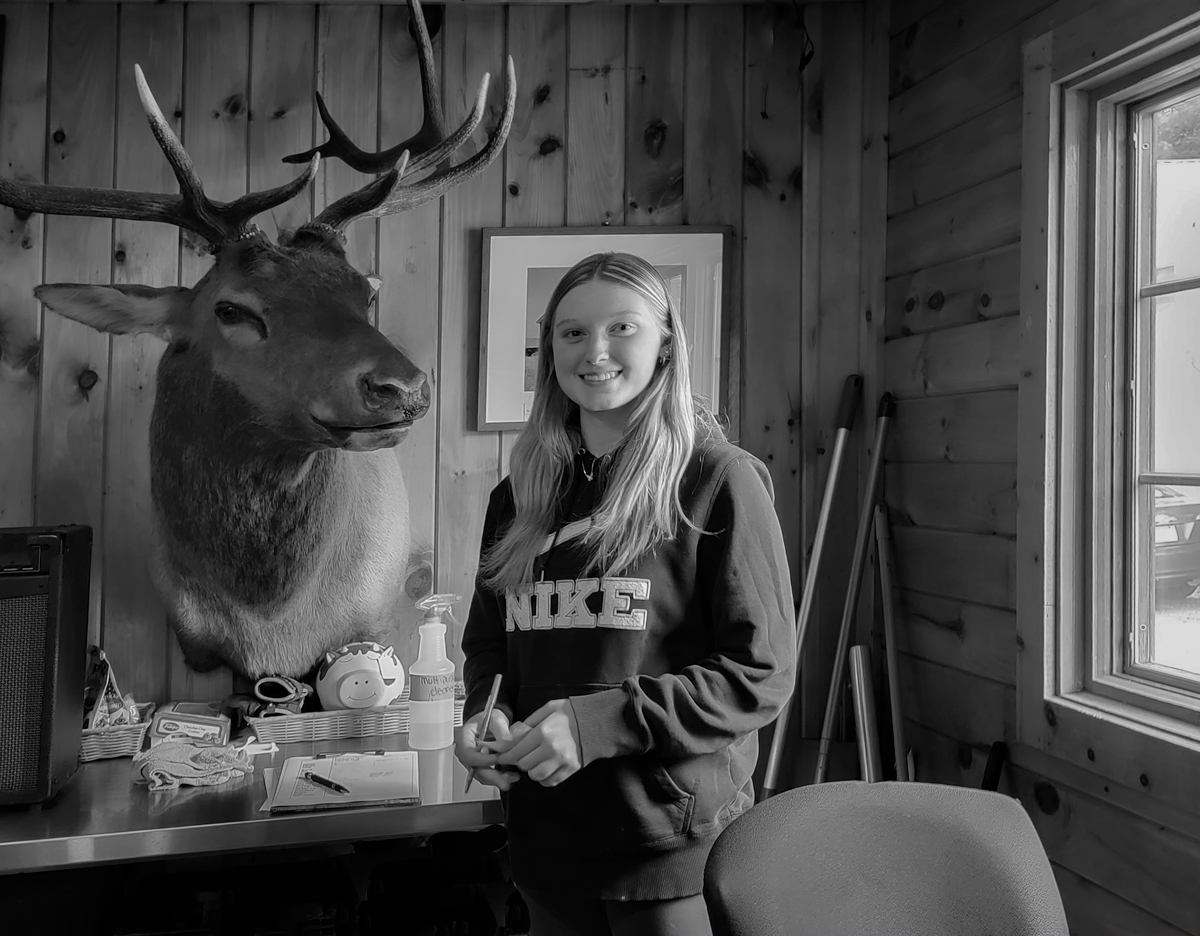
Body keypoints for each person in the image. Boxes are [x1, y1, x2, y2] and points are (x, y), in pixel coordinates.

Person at [455, 251, 796, 936]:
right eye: (573, 332)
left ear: (667, 342)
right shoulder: (518, 498)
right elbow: (491, 645)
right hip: (545, 842)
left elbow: (760, 674)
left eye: (623, 329)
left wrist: (595, 724)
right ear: (549, 348)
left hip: (666, 847)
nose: (596, 351)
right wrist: (483, 716)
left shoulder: (717, 479)